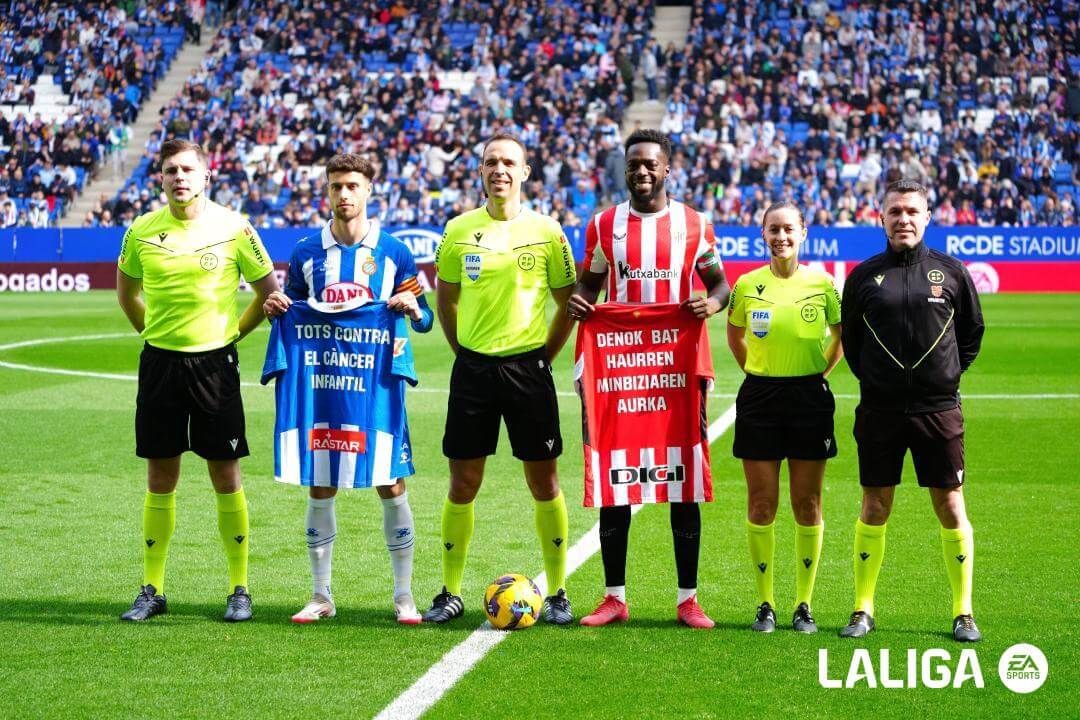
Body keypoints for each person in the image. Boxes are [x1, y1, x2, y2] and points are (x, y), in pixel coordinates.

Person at [567, 129, 731, 629]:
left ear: (667, 170)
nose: (641, 172)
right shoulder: (603, 225)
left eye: (650, 165)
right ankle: (614, 597)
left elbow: (721, 283)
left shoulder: (695, 225)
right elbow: (588, 287)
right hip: (619, 371)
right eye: (633, 164)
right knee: (615, 476)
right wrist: (579, 301)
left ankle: (688, 598)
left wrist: (713, 303)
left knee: (682, 477)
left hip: (677, 370)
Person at [262, 153, 433, 624]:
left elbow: (427, 320)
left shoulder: (394, 252)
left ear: (369, 191)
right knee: (320, 482)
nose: (344, 195)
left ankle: (403, 596)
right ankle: (320, 595)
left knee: (390, 481)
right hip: (323, 385)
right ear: (327, 191)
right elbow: (293, 308)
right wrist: (279, 304)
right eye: (336, 186)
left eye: (353, 186)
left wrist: (412, 307)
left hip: (376, 385)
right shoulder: (304, 253)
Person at [116, 139, 279, 622]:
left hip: (216, 366)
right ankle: (152, 588)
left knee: (225, 474)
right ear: (161, 178)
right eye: (171, 170)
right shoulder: (141, 231)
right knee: (160, 476)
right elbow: (127, 294)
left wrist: (235, 333)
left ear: (206, 176)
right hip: (160, 366)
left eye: (188, 169)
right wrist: (153, 333)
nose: (179, 177)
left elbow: (269, 293)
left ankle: (239, 588)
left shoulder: (235, 228)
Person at [424, 132, 577, 625]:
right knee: (463, 482)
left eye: (509, 162)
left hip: (528, 369)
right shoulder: (458, 230)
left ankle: (557, 592)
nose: (500, 170)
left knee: (544, 480)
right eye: (491, 162)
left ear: (526, 171)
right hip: (473, 370)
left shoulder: (549, 232)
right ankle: (449, 591)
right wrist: (463, 350)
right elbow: (445, 301)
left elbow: (568, 304)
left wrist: (544, 357)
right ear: (481, 171)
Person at [839, 179, 985, 642]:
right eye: (895, 212)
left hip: (937, 410)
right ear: (880, 218)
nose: (904, 219)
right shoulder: (863, 277)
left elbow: (971, 336)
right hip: (879, 410)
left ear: (927, 217)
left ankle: (963, 612)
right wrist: (882, 380)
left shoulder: (953, 273)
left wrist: (941, 378)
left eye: (912, 212)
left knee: (949, 504)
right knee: (875, 505)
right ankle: (863, 608)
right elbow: (853, 345)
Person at [726, 201, 843, 634]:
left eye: (788, 229)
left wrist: (819, 373)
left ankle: (803, 604)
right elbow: (735, 333)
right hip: (760, 397)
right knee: (761, 503)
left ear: (803, 232)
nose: (781, 237)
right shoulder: (747, 285)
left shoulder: (824, 283)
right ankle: (765, 603)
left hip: (809, 397)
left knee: (807, 503)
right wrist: (755, 370)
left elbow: (840, 333)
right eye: (773, 229)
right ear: (763, 234)